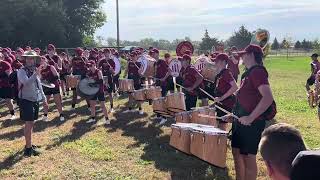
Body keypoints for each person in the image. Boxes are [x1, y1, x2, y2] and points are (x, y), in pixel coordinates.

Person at [231, 44, 275, 180]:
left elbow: (268, 97)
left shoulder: (257, 72)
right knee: (239, 155)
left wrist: (250, 118)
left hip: (252, 123)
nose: (242, 57)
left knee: (248, 158)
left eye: (244, 54)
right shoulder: (247, 73)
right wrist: (234, 115)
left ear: (251, 55)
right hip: (240, 121)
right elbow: (244, 98)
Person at [17, 50, 47, 157]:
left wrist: (44, 99)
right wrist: (36, 74)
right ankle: (28, 149)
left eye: (32, 58)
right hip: (26, 100)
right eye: (28, 58)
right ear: (25, 59)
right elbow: (26, 83)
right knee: (28, 124)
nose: (30, 60)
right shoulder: (21, 71)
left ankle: (29, 144)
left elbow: (39, 86)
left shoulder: (34, 70)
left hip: (34, 100)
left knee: (31, 123)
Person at [212, 53, 238, 130]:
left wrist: (221, 98)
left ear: (223, 62)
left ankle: (222, 141)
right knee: (219, 125)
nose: (215, 63)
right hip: (221, 103)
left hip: (227, 103)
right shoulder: (220, 74)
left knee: (222, 126)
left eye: (217, 61)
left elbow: (235, 87)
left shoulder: (226, 73)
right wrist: (215, 103)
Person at [39, 56, 64, 121]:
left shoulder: (51, 67)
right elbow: (40, 79)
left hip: (54, 86)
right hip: (47, 87)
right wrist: (42, 81)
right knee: (45, 102)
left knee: (57, 101)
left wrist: (50, 80)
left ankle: (61, 115)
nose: (42, 62)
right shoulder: (40, 69)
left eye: (43, 60)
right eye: (40, 61)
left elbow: (57, 76)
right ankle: (45, 116)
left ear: (46, 61)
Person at [86, 60, 111, 125]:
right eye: (89, 66)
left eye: (91, 65)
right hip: (93, 91)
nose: (90, 67)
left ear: (94, 65)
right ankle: (93, 118)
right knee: (92, 105)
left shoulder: (98, 71)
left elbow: (101, 81)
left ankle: (107, 119)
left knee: (102, 105)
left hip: (100, 90)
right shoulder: (89, 73)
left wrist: (93, 83)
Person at [98, 48, 115, 113]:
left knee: (110, 93)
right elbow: (98, 69)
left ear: (109, 53)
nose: (105, 54)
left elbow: (113, 72)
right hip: (102, 78)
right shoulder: (102, 61)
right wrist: (99, 67)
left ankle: (111, 107)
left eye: (106, 52)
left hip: (109, 78)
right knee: (103, 93)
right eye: (104, 52)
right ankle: (103, 107)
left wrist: (111, 70)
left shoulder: (112, 61)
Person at [0, 52, 16, 119]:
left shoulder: (5, 64)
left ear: (1, 57)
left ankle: (12, 114)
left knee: (8, 101)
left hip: (6, 85)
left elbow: (10, 76)